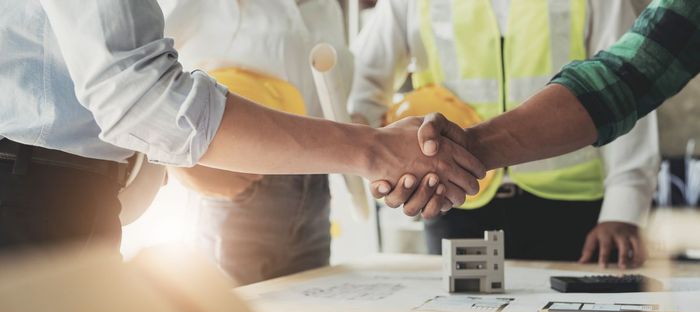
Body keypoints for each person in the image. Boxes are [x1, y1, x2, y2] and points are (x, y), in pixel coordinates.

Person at [0, 0, 484, 254]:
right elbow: (143, 96)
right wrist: (376, 151)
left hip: (72, 193)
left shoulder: (323, 8)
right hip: (33, 192)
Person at [373, 0, 699, 268]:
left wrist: (623, 207)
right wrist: (380, 162)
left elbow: (624, 86)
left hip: (570, 207)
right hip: (455, 201)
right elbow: (623, 78)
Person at [156, 0, 352, 284]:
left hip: (315, 188)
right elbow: (141, 81)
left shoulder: (328, 8)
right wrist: (177, 164)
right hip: (241, 190)